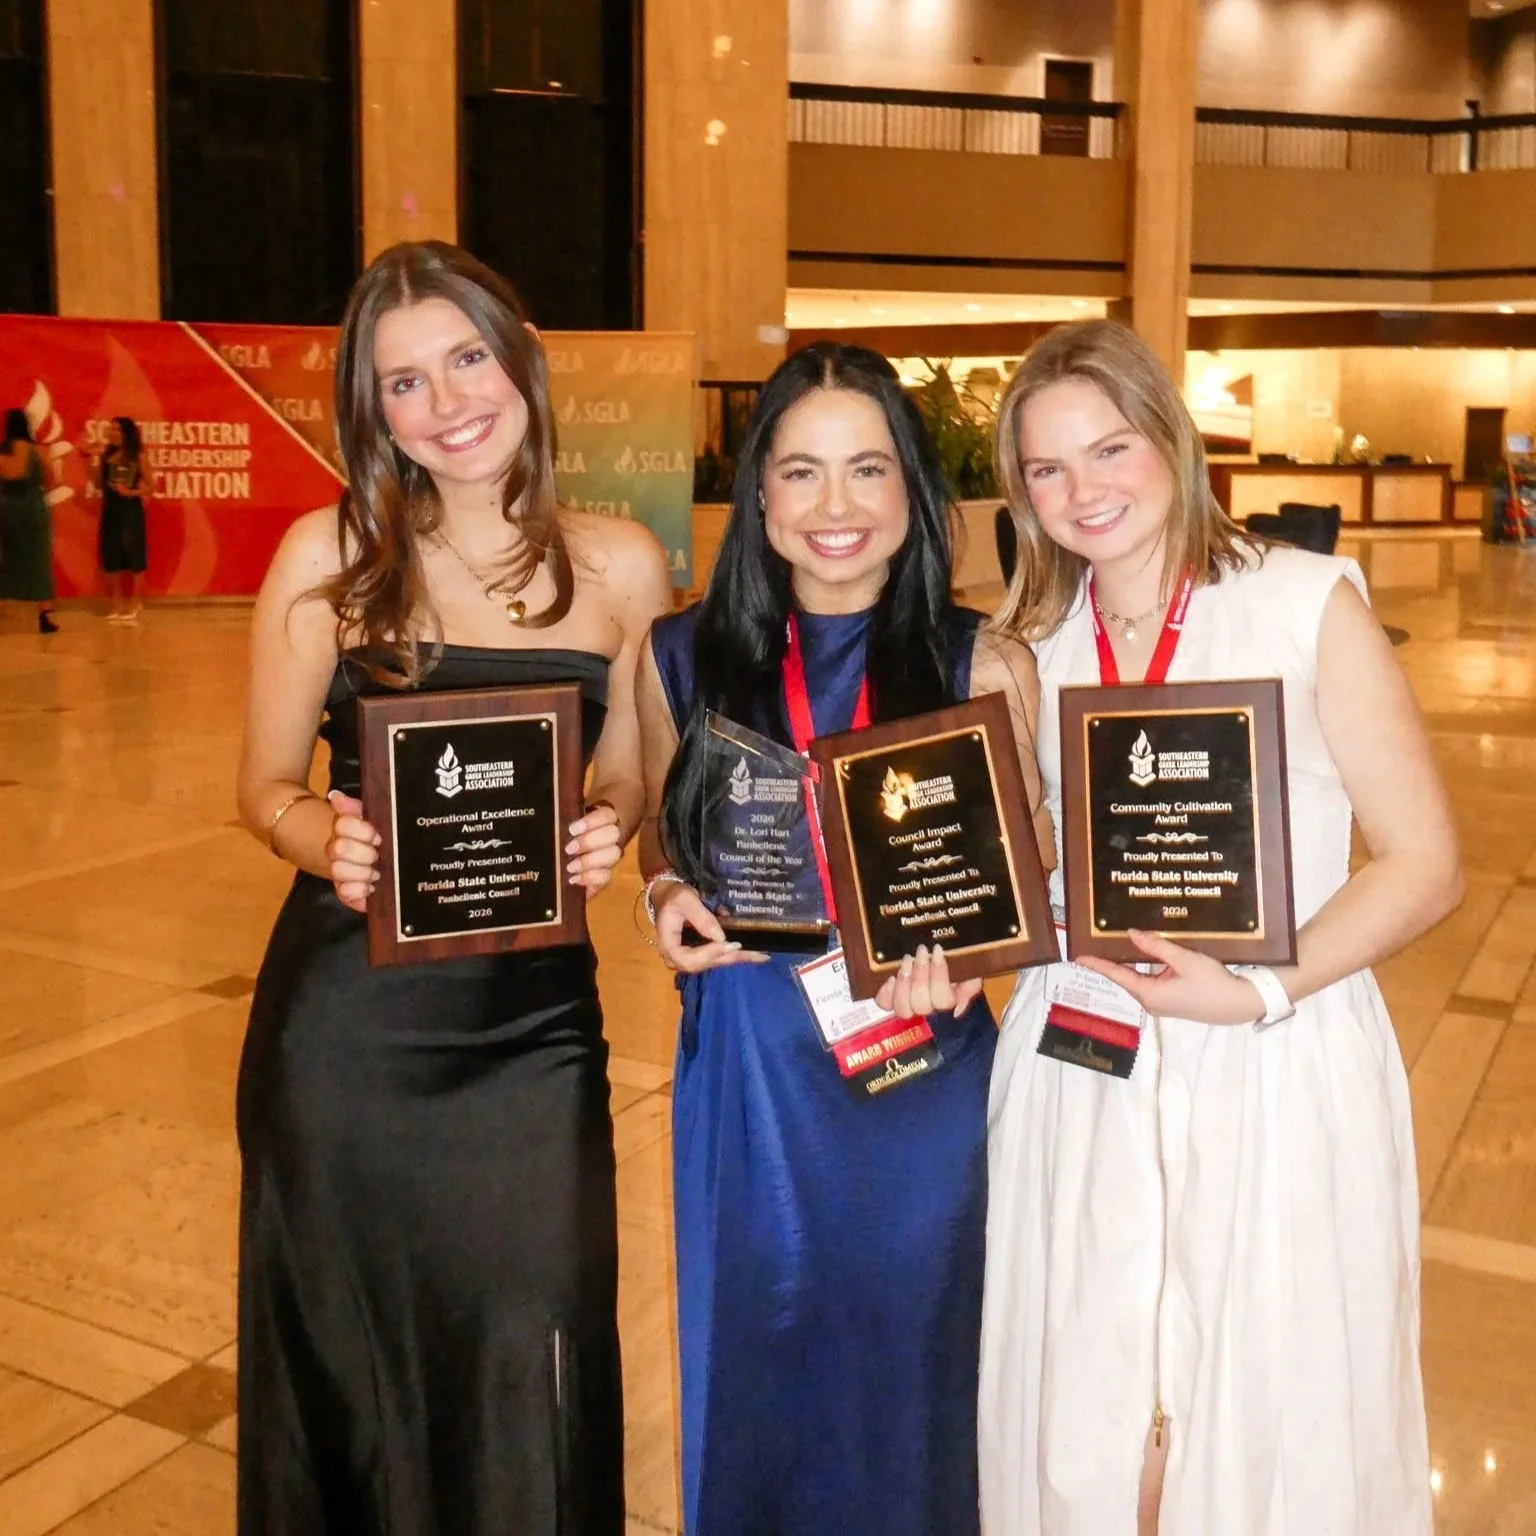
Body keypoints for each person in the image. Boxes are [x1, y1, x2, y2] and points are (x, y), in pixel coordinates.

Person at [979, 319, 1463, 1536]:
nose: (1082, 491)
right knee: (1085, 1413)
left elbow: (1427, 862)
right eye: (1046, 469)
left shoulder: (1302, 604)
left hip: (1273, 1054)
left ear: (1171, 439)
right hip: (1081, 1056)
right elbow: (1031, 861)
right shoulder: (1027, 645)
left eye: (1109, 449)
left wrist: (1259, 991)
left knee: (1264, 1408)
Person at [234, 240, 671, 1534]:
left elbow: (635, 779)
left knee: (530, 1340)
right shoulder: (329, 554)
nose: (449, 401)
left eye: (467, 358)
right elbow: (258, 784)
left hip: (532, 1036)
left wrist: (608, 825)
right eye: (405, 383)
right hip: (346, 1036)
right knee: (352, 1362)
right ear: (375, 415)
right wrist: (324, 835)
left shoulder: (623, 567)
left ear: (520, 362)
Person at [635, 342, 1054, 1536]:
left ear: (912, 492)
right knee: (757, 1347)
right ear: (756, 492)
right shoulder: (679, 655)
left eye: (867, 470)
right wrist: (664, 901)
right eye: (801, 471)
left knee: (917, 1355)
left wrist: (973, 960)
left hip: (919, 1072)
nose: (835, 508)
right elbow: (659, 836)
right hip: (752, 1067)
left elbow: (1033, 878)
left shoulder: (984, 660)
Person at [0, 408, 58, 633]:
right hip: (33, 507)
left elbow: (9, 476)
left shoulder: (4, 452)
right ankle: (44, 615)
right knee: (39, 558)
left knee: (7, 558)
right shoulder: (39, 450)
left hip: (7, 508)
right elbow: (53, 480)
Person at [98, 416, 148, 620]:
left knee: (133, 554)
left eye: (117, 430)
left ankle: (135, 602)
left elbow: (151, 485)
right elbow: (98, 483)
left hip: (130, 510)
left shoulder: (138, 456)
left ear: (127, 433)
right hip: (110, 509)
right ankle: (116, 603)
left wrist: (132, 492)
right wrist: (89, 462)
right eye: (111, 429)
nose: (113, 433)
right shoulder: (106, 456)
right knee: (111, 556)